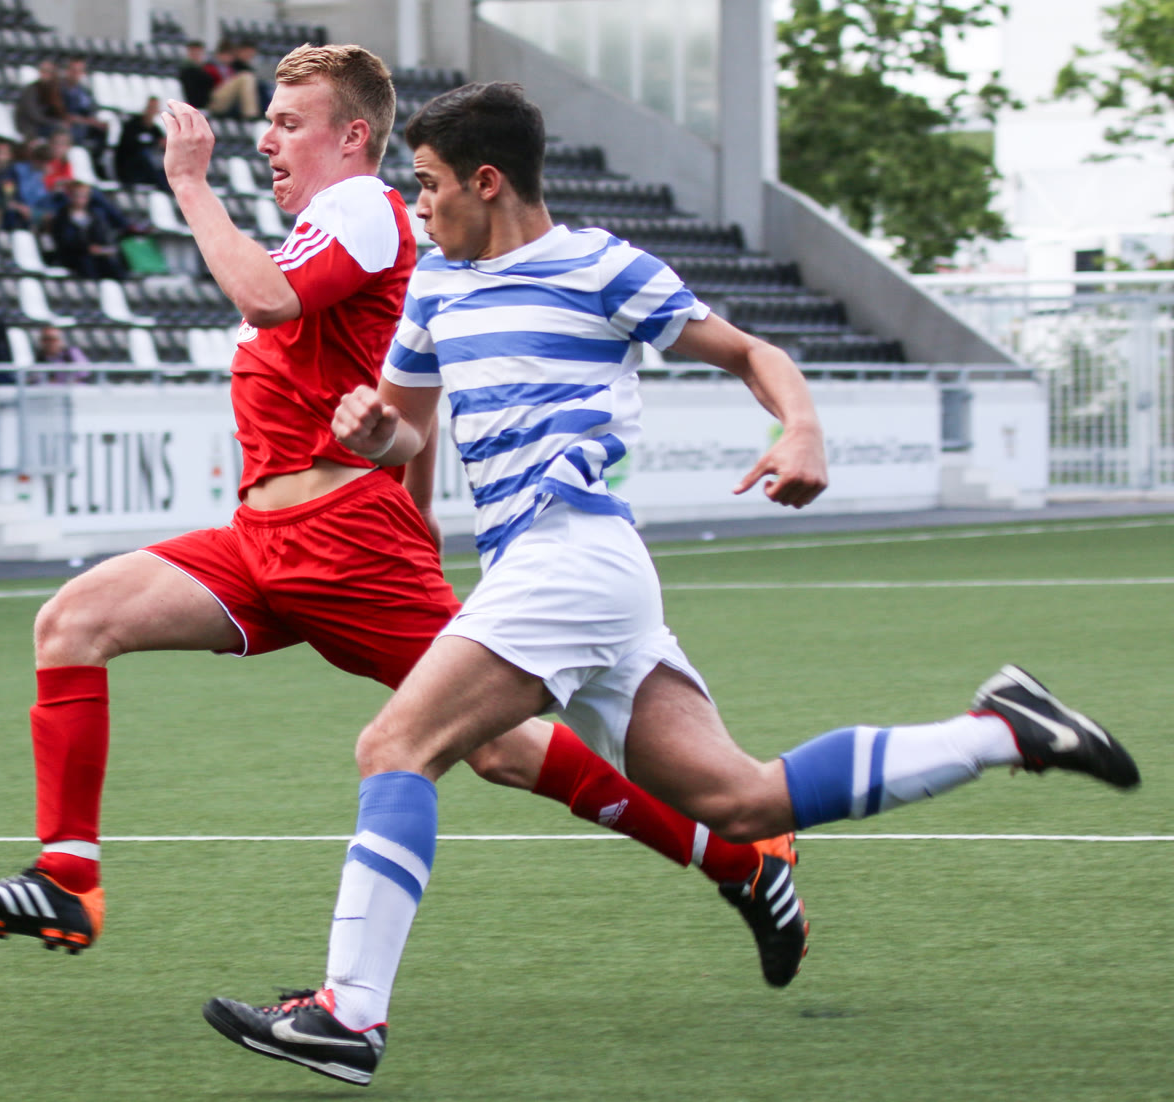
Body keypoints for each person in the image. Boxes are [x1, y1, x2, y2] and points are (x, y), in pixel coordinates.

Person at [199, 80, 1142, 1087]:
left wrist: (801, 428)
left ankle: (348, 1014)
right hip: (572, 573)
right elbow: (404, 433)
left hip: (570, 553)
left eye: (429, 186)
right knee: (740, 802)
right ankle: (1005, 729)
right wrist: (373, 432)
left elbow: (749, 352)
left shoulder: (600, 265)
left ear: (487, 181)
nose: (418, 206)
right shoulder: (435, 286)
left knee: (396, 745)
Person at [0, 47, 805, 967]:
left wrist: (189, 183)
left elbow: (267, 300)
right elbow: (394, 394)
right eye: (267, 122)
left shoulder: (361, 207)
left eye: (288, 123)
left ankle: (739, 858)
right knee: (74, 620)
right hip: (264, 541)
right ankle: (67, 881)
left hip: (346, 545)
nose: (266, 141)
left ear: (353, 137)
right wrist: (415, 499)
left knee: (500, 746)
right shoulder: (323, 233)